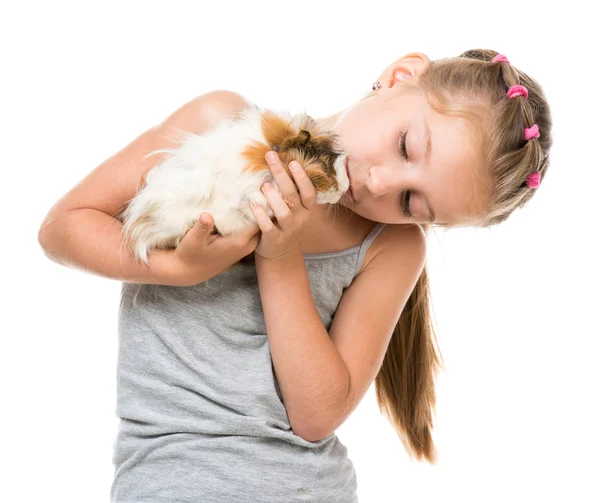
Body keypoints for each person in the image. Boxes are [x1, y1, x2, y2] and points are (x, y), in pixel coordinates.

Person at [37, 48, 553, 502]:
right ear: (399, 76)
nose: (378, 183)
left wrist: (280, 258)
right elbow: (62, 228)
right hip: (173, 476)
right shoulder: (220, 123)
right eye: (404, 147)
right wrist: (177, 268)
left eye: (412, 201)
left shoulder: (391, 245)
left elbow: (315, 416)